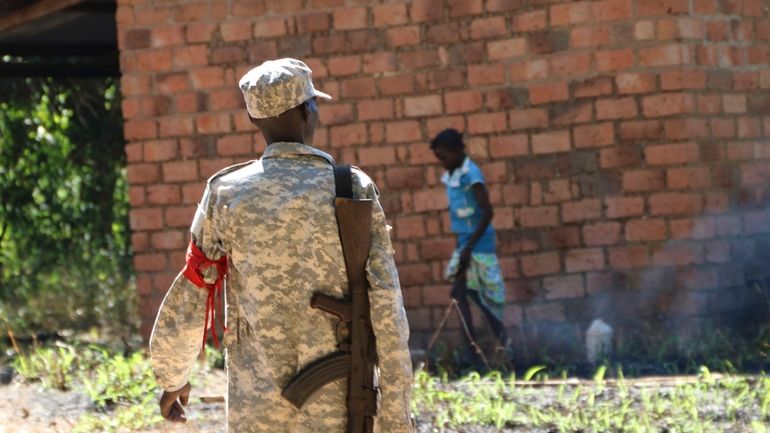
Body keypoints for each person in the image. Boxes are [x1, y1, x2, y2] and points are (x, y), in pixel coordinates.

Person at [149, 58, 415, 433]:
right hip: (337, 402)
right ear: (308, 110)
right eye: (315, 103)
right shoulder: (351, 187)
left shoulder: (226, 192)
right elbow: (387, 306)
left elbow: (195, 287)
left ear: (255, 120)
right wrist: (396, 417)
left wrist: (172, 374)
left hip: (254, 402)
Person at [430, 128, 509, 366]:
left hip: (479, 245)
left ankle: (499, 342)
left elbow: (487, 213)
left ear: (456, 151)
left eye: (444, 157)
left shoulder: (471, 175)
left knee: (479, 297)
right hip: (465, 244)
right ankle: (474, 351)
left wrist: (469, 248)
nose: (442, 163)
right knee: (460, 293)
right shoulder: (452, 175)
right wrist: (461, 247)